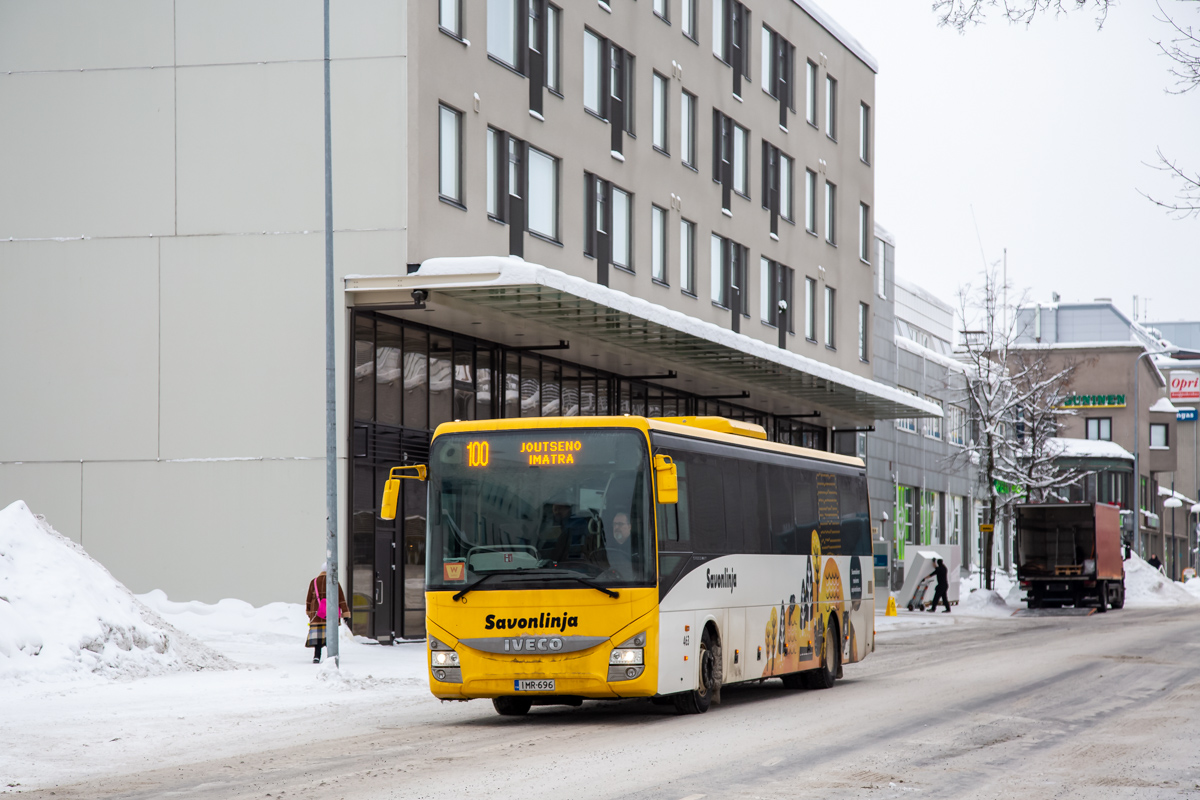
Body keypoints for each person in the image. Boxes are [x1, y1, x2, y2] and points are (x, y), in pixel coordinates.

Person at [306, 563, 350, 663]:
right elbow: (341, 599)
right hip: (331, 614)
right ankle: (331, 657)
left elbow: (309, 598)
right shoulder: (334, 582)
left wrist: (309, 611)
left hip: (317, 614)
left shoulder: (314, 582)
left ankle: (316, 656)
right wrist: (345, 613)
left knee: (317, 638)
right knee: (330, 636)